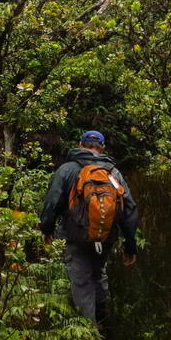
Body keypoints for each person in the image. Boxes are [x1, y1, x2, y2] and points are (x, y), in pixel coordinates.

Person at [39, 129, 139, 323]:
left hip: (75, 236)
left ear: (80, 144)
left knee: (81, 281)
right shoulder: (113, 172)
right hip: (106, 237)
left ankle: (88, 333)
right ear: (102, 148)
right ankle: (102, 322)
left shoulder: (67, 169)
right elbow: (129, 208)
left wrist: (47, 228)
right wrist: (130, 246)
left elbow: (52, 202)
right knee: (98, 273)